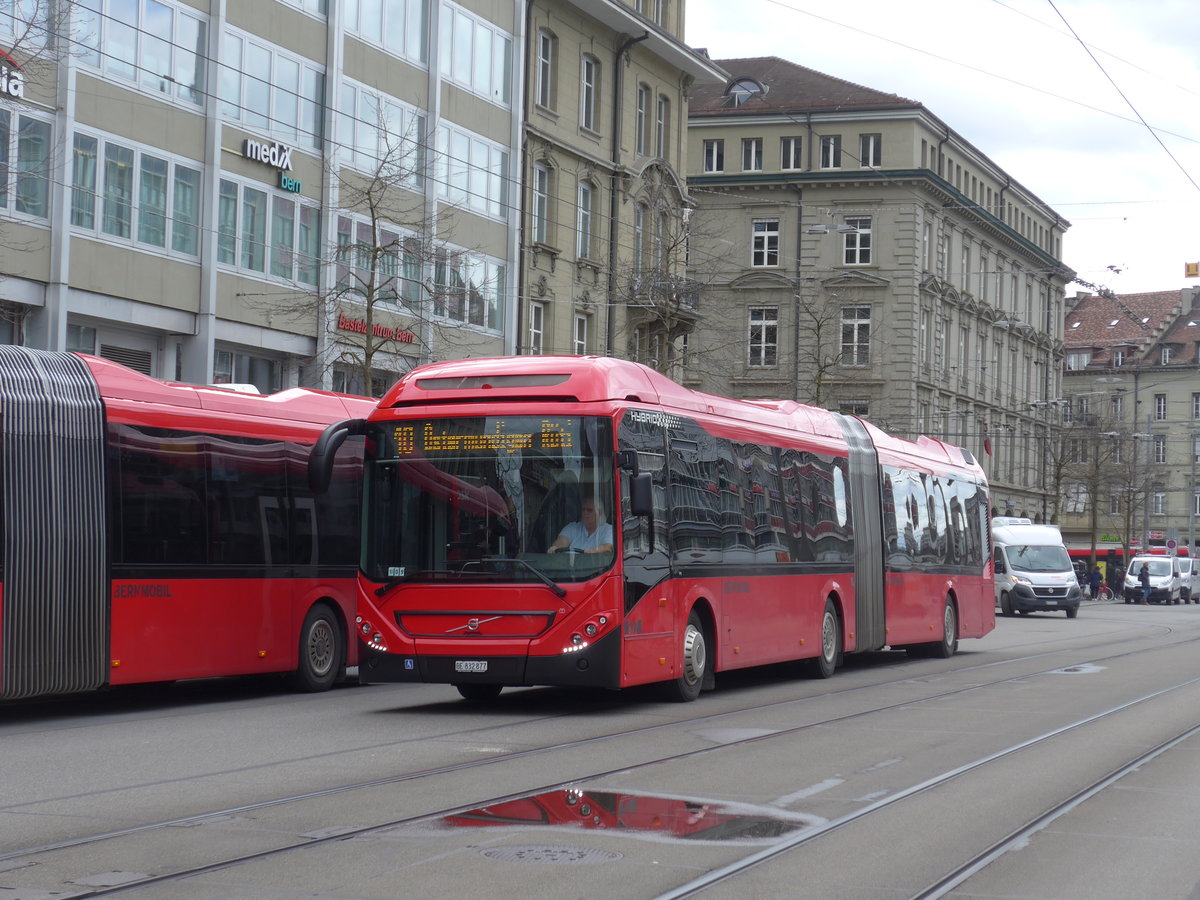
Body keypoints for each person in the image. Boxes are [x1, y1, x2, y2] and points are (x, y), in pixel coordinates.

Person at [546, 498, 613, 555]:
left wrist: (590, 552)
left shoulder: (608, 530)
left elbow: (608, 547)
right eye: (583, 510)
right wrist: (555, 548)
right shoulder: (572, 527)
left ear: (600, 512)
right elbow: (562, 541)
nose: (585, 513)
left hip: (598, 569)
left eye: (589, 510)